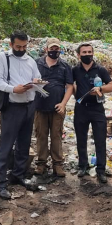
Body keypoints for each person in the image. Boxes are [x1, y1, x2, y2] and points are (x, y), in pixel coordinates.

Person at [0, 31, 41, 199]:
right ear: (11, 44)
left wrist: (36, 83)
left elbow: (38, 77)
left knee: (24, 143)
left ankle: (18, 175)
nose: (21, 49)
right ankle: (0, 183)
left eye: (25, 46)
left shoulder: (31, 60)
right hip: (12, 106)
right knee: (6, 144)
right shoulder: (2, 58)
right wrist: (14, 89)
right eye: (18, 46)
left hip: (29, 106)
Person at [72, 43, 112, 184]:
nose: (87, 54)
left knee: (100, 139)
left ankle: (101, 170)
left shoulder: (100, 69)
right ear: (78, 55)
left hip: (97, 108)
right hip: (81, 108)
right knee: (81, 138)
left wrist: (100, 88)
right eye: (84, 52)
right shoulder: (74, 70)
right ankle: (83, 166)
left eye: (89, 52)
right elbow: (69, 85)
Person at [34, 38, 74, 177]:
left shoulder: (64, 65)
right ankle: (41, 164)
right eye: (52, 49)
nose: (54, 51)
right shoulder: (37, 63)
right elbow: (29, 80)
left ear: (60, 50)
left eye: (57, 49)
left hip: (58, 107)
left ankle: (58, 164)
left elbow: (69, 86)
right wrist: (35, 82)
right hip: (40, 106)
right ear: (46, 49)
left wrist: (63, 104)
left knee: (56, 135)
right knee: (41, 135)